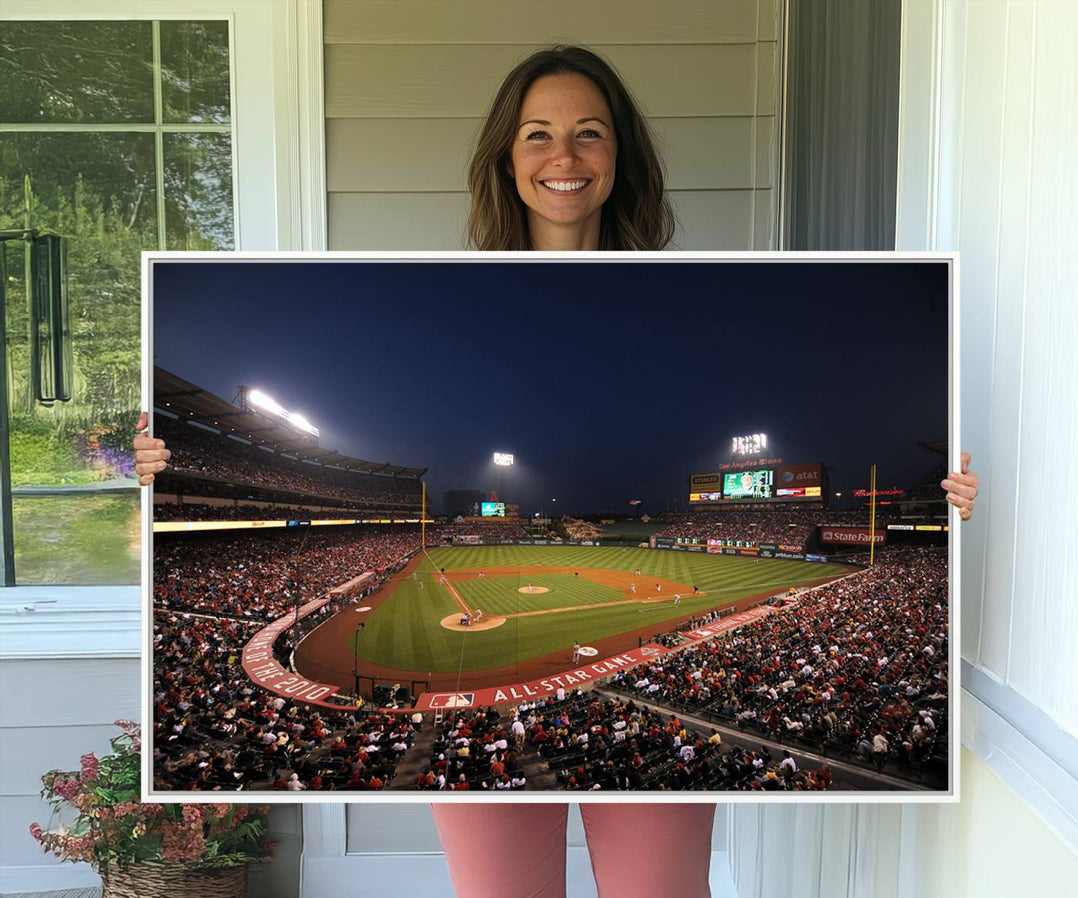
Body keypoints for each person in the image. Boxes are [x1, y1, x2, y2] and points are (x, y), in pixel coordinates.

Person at [133, 43, 981, 898]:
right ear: (506, 157)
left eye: (590, 134)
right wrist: (142, 471)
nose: (564, 157)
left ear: (622, 157)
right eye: (537, 134)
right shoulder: (444, 273)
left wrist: (946, 506)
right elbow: (119, 504)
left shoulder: (691, 281)